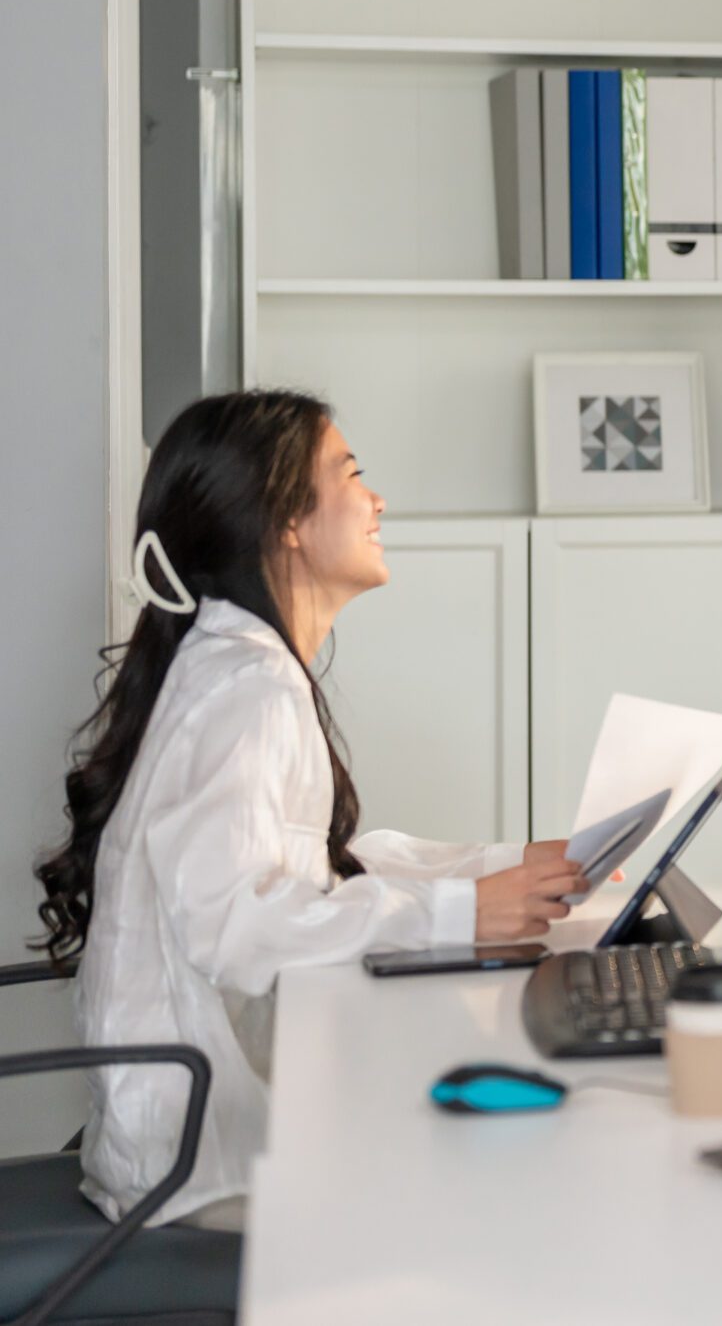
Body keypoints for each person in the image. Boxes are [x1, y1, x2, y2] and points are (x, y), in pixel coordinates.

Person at [32, 391, 588, 1229]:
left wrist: (492, 871)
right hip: (196, 1165)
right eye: (352, 476)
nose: (377, 500)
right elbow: (235, 922)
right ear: (287, 520)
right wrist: (459, 911)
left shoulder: (237, 664)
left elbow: (314, 865)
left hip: (182, 1134)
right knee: (498, 1188)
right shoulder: (246, 687)